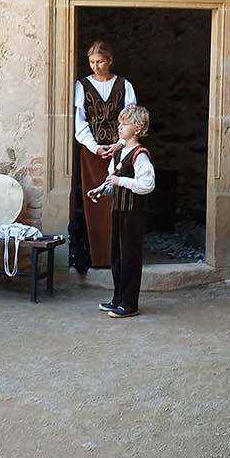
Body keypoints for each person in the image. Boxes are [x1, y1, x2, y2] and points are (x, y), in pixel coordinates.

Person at [72, 40, 138, 271]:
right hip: (93, 154)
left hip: (121, 152)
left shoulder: (124, 85)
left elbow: (132, 119)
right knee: (96, 203)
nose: (95, 66)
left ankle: (121, 256)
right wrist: (94, 147)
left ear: (110, 60)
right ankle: (100, 257)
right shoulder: (82, 86)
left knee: (120, 201)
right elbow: (79, 122)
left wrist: (120, 144)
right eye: (92, 62)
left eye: (100, 61)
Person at [87, 105, 154, 319]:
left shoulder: (140, 155)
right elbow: (112, 181)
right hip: (118, 210)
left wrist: (121, 181)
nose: (119, 127)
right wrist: (101, 189)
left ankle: (129, 303)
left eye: (125, 124)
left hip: (133, 213)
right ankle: (117, 298)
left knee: (130, 257)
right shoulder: (118, 153)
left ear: (138, 129)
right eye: (120, 123)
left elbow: (147, 185)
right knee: (116, 256)